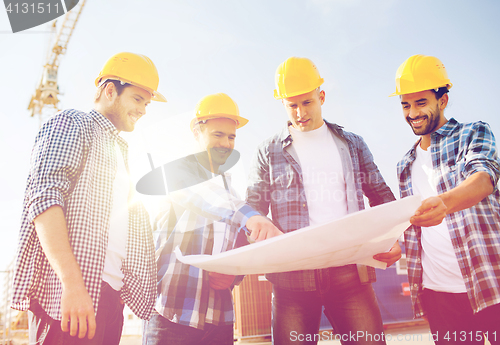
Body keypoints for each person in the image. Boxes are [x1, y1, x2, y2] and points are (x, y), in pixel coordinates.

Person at [11, 52, 167, 345]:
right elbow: (44, 199)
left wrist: (117, 295)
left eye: (147, 103)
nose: (144, 110)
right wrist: (72, 284)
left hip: (106, 299)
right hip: (70, 298)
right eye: (137, 99)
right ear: (110, 90)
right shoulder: (73, 123)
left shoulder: (119, 152)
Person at [246, 57, 401, 345]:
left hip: (350, 275)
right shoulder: (268, 151)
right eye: (292, 105)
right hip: (292, 279)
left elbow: (381, 194)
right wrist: (255, 219)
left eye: (307, 102)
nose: (300, 112)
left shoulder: (352, 144)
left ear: (322, 96)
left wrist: (393, 236)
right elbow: (253, 205)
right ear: (282, 104)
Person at [142, 93, 283, 345]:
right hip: (172, 316)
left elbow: (238, 248)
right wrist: (253, 218)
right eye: (218, 134)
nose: (226, 143)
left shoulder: (231, 191)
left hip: (218, 321)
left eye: (231, 137)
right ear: (197, 132)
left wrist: (233, 275)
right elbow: (207, 198)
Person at [392, 54, 500, 345]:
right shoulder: (405, 164)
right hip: (438, 295)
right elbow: (412, 227)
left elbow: (484, 177)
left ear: (443, 100)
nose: (412, 112)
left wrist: (445, 203)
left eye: (421, 102)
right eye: (405, 104)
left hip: (490, 283)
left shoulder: (473, 132)